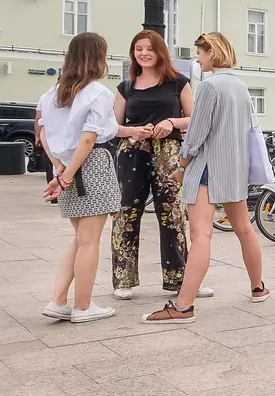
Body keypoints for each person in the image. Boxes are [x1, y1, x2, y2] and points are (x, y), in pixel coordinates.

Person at [144, 32, 267, 323]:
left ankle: (183, 306)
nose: (197, 59)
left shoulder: (211, 86)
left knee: (200, 236)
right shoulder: (239, 86)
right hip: (234, 167)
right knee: (245, 230)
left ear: (212, 52)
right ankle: (258, 287)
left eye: (200, 53)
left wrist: (182, 166)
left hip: (208, 167)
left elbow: (197, 135)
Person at [110, 30, 212, 301]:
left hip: (169, 152)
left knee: (172, 215)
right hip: (132, 152)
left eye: (149, 48)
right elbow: (111, 126)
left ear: (160, 52)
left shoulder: (178, 83)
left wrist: (170, 123)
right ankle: (123, 278)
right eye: (138, 49)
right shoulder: (126, 87)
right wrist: (132, 131)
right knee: (126, 213)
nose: (143, 53)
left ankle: (180, 279)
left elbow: (194, 118)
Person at [38, 32, 121, 323]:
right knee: (89, 241)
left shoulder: (52, 94)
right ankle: (83, 306)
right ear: (99, 57)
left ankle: (59, 300)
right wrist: (67, 176)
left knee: (79, 239)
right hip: (91, 166)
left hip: (65, 167)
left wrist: (59, 169)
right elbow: (88, 140)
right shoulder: (98, 92)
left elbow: (44, 134)